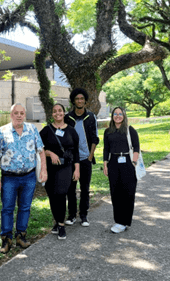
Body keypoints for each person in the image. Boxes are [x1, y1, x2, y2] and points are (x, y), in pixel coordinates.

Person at [0, 103, 48, 254]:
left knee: (25, 207)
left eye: (22, 113)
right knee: (7, 208)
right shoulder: (2, 132)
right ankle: (6, 239)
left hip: (28, 177)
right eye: (16, 113)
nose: (19, 115)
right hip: (9, 178)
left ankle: (21, 236)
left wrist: (44, 171)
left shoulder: (32, 130)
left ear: (25, 115)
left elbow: (41, 151)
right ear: (11, 115)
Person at [40, 103, 80, 240]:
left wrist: (77, 169)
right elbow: (38, 149)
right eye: (55, 111)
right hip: (50, 168)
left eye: (60, 111)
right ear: (52, 114)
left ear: (64, 113)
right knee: (52, 195)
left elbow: (76, 153)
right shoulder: (46, 131)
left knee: (61, 193)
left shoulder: (71, 131)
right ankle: (57, 221)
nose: (58, 113)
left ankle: (61, 225)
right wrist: (50, 153)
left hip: (66, 167)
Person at [65, 88, 99, 227]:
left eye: (81, 99)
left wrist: (90, 156)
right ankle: (72, 215)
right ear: (73, 101)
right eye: (77, 99)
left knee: (85, 188)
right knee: (71, 189)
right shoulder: (68, 118)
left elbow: (95, 138)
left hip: (86, 159)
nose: (79, 101)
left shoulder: (91, 117)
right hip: (71, 159)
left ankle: (84, 215)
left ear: (85, 101)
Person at [103, 107, 140, 234]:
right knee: (115, 193)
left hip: (128, 163)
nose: (117, 116)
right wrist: (105, 164)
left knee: (128, 193)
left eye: (120, 114)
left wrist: (134, 162)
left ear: (124, 116)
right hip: (113, 163)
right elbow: (106, 149)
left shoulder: (130, 130)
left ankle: (125, 221)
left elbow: (136, 148)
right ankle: (118, 221)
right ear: (112, 116)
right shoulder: (108, 131)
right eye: (115, 114)